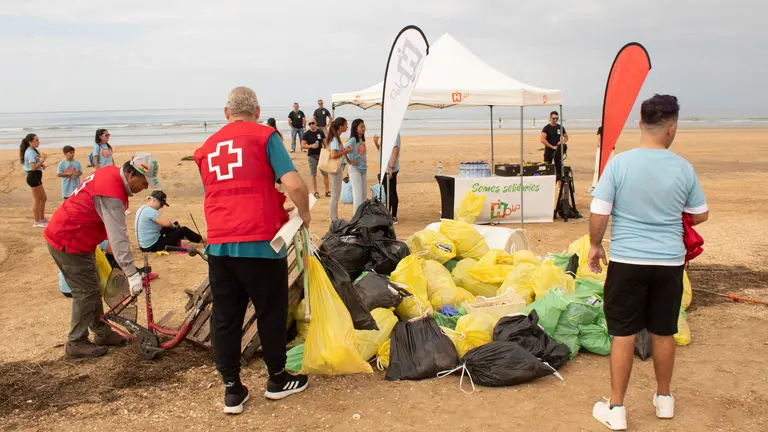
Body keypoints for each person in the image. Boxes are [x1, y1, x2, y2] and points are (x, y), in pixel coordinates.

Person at [588, 95, 708, 430]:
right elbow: (700, 213)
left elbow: (599, 212)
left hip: (627, 260)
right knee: (664, 331)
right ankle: (664, 399)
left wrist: (596, 245)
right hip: (669, 263)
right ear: (672, 128)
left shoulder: (620, 164)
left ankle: (616, 408)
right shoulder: (682, 167)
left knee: (623, 333)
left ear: (640, 123)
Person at [195, 87, 311, 415]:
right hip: (260, 242)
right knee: (270, 312)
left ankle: (232, 389)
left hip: (219, 243)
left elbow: (218, 191)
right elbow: (295, 184)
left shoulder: (206, 148)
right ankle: (277, 380)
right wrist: (304, 214)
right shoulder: (265, 137)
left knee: (226, 317)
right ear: (257, 110)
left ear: (225, 112)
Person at [44, 153, 161, 359]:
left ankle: (102, 332)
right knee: (86, 292)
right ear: (132, 174)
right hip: (68, 238)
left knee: (92, 287)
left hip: (81, 238)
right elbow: (118, 237)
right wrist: (132, 273)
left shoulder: (110, 173)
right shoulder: (112, 193)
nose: (144, 188)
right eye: (143, 183)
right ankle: (76, 342)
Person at [135, 190, 203, 252]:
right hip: (152, 246)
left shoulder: (143, 208)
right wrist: (174, 227)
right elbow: (167, 223)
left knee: (171, 229)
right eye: (161, 204)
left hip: (144, 246)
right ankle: (205, 240)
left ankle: (187, 237)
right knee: (183, 230)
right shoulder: (150, 211)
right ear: (153, 200)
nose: (161, 207)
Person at [20, 133, 48, 227]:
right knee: (37, 199)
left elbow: (35, 163)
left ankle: (42, 218)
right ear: (30, 142)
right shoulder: (30, 152)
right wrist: (43, 160)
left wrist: (41, 164)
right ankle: (37, 221)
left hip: (36, 176)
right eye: (36, 140)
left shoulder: (33, 151)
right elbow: (32, 167)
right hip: (33, 176)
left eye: (38, 140)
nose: (38, 142)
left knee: (43, 198)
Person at [373, 133, 401, 224]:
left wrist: (391, 167)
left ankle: (394, 216)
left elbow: (396, 149)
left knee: (392, 191)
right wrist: (376, 143)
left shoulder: (393, 132)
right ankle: (388, 213)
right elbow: (382, 151)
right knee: (387, 191)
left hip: (390, 168)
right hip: (384, 168)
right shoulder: (386, 132)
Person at [327, 117, 351, 221]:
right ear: (341, 126)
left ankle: (334, 216)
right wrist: (345, 152)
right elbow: (333, 155)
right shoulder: (335, 139)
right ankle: (333, 217)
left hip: (338, 168)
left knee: (336, 193)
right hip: (336, 169)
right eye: (346, 125)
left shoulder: (336, 138)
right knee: (335, 193)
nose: (347, 127)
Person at [302, 118, 329, 198]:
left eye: (312, 123)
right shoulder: (306, 134)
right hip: (312, 155)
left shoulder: (320, 132)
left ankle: (327, 191)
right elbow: (303, 145)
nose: (311, 125)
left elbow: (325, 144)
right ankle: (315, 191)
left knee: (325, 174)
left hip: (321, 155)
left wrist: (327, 152)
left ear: (316, 123)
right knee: (313, 174)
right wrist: (311, 146)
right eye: (309, 124)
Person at [345, 119, 369, 213]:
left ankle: (362, 215)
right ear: (356, 129)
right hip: (355, 169)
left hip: (363, 169)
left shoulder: (361, 139)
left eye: (364, 127)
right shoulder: (353, 140)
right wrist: (349, 161)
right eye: (361, 127)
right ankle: (357, 216)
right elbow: (342, 150)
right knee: (357, 195)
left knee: (363, 195)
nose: (363, 129)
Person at [540, 111, 569, 181]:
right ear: (550, 118)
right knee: (547, 168)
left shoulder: (560, 127)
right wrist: (552, 146)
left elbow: (566, 137)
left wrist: (561, 142)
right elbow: (542, 140)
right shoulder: (546, 128)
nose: (555, 120)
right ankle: (546, 184)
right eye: (553, 118)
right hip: (548, 151)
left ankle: (560, 188)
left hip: (557, 151)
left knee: (559, 170)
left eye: (557, 118)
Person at [590, 126, 615, 193]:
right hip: (601, 149)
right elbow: (598, 139)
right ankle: (594, 186)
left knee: (610, 168)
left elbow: (613, 139)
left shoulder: (613, 128)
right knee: (598, 167)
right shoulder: (601, 128)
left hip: (610, 150)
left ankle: (609, 186)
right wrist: (602, 148)